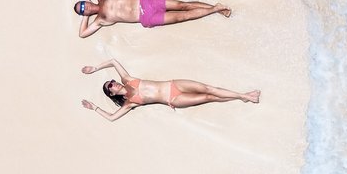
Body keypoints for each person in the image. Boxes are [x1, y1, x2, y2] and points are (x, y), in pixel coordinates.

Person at [81, 59, 259, 121]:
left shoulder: (127, 79)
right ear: (111, 93)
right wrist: (93, 107)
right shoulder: (129, 103)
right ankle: (242, 97)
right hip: (172, 100)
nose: (114, 83)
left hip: (173, 85)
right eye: (110, 86)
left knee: (208, 88)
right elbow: (112, 118)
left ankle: (244, 96)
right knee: (208, 97)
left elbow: (112, 61)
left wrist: (95, 68)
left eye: (112, 81)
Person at [75, 0, 231, 36]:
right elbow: (82, 34)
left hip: (146, 2)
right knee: (181, 17)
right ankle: (215, 9)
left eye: (83, 5)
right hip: (146, 18)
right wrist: (84, 18)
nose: (85, 7)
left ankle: (216, 9)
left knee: (182, 5)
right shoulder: (99, 20)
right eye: (82, 10)